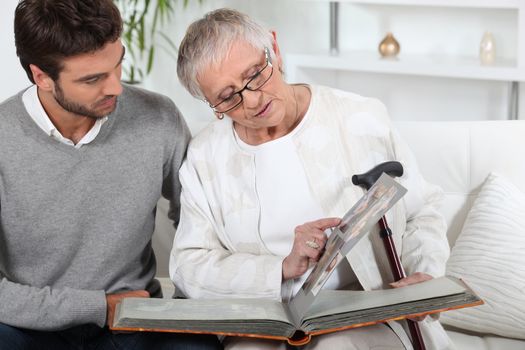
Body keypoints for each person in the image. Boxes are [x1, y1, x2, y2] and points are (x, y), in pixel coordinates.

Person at [170, 8, 455, 350]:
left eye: (256, 75)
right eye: (228, 97)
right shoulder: (205, 156)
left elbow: (420, 211)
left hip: (364, 310)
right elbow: (189, 263)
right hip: (263, 319)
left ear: (274, 47)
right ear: (210, 102)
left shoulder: (360, 117)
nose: (253, 99)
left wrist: (424, 273)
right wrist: (281, 268)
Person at [0, 1, 222, 349]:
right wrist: (98, 307)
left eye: (117, 64)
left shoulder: (158, 118)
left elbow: (202, 226)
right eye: (93, 79)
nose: (116, 87)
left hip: (133, 322)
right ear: (42, 77)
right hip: (29, 328)